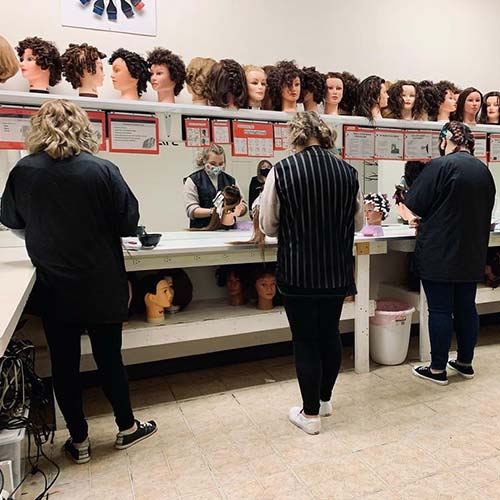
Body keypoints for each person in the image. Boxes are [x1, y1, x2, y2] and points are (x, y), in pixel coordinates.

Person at [0, 100, 157, 464]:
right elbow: (127, 223)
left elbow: (10, 217)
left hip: (55, 285)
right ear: (84, 127)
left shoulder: (24, 171)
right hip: (101, 281)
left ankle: (80, 440)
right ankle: (126, 427)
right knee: (109, 359)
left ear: (38, 128)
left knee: (64, 364)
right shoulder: (102, 169)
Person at [260, 111, 363, 435]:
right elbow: (359, 223)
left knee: (305, 341)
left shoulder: (283, 170)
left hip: (298, 271)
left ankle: (310, 414)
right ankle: (325, 399)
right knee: (330, 334)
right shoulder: (348, 172)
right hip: (336, 270)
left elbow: (268, 225)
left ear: (296, 136)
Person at [404, 122, 495, 385]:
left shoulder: (440, 166)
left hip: (440, 251)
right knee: (467, 307)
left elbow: (416, 205)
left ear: (445, 140)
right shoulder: (483, 171)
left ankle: (437, 369)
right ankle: (465, 362)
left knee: (441, 309)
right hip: (472, 252)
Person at [183, 143, 247, 228]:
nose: (217, 167)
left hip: (227, 230)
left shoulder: (231, 180)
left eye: (220, 164)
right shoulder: (193, 180)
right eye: (213, 163)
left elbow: (243, 206)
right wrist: (214, 212)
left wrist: (237, 210)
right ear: (204, 161)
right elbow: (192, 210)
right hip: (201, 230)